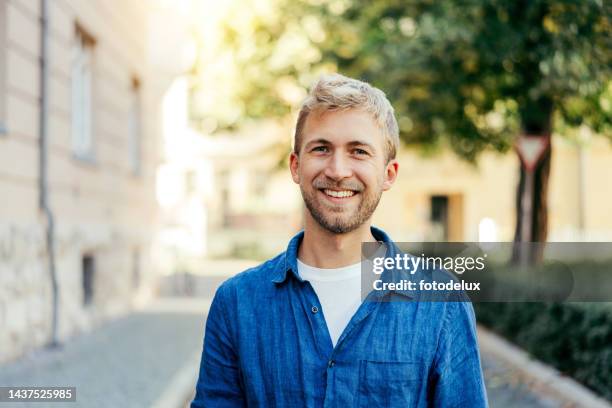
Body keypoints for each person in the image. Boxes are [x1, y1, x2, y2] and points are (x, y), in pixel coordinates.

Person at [191, 74, 488, 407]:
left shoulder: (442, 303)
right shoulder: (237, 303)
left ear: (388, 174)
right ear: (295, 165)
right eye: (321, 148)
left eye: (359, 152)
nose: (337, 170)